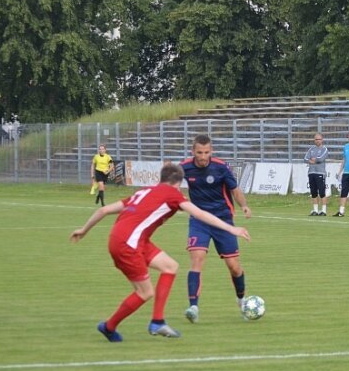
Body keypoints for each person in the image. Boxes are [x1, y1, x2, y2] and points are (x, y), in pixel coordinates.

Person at [69, 163, 251, 342]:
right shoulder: (173, 194)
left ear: (161, 178)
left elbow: (104, 209)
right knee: (144, 292)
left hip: (127, 239)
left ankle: (157, 321)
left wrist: (84, 230)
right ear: (179, 182)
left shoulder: (144, 192)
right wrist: (231, 229)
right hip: (128, 243)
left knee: (170, 266)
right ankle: (110, 326)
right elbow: (200, 214)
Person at [180, 135, 253, 323]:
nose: (203, 156)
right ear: (192, 151)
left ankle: (241, 300)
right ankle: (193, 307)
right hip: (199, 221)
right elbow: (170, 185)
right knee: (197, 259)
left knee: (234, 267)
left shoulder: (221, 167)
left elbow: (235, 189)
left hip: (223, 220)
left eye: (206, 152)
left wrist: (244, 205)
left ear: (211, 151)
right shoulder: (185, 167)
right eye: (199, 153)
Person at [304, 133, 329, 216]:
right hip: (311, 172)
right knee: (313, 192)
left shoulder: (324, 149)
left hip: (320, 173)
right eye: (316, 139)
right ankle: (315, 210)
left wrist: (314, 159)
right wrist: (312, 160)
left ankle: (324, 211)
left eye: (319, 139)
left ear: (322, 140)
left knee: (322, 192)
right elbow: (305, 158)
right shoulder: (311, 149)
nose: (317, 141)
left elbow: (321, 159)